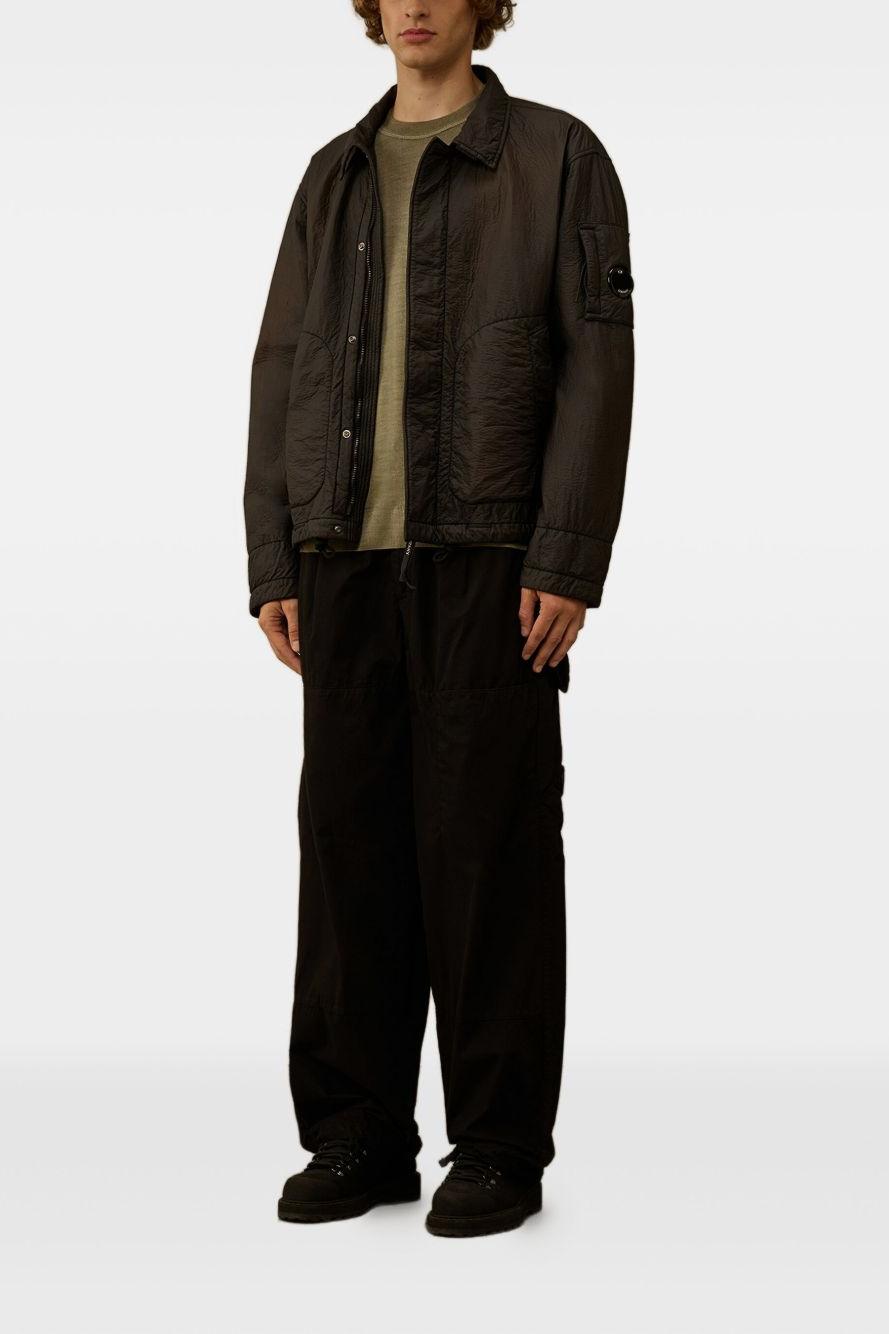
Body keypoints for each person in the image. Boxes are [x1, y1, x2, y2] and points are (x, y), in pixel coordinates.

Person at [244, 0, 634, 1239]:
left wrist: (566, 555)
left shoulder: (557, 156)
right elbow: (281, 363)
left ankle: (499, 1144)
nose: (414, 4)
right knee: (348, 850)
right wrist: (274, 553)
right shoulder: (333, 174)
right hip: (341, 558)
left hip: (490, 553)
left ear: (482, 6)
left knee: (489, 847)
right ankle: (358, 1133)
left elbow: (597, 361)